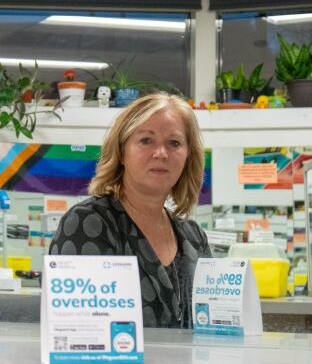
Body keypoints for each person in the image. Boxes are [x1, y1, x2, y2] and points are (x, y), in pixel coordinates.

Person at [49, 93, 211, 328]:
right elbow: (82, 334)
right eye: (146, 140)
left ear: (188, 157)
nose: (161, 153)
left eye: (174, 143)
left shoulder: (194, 237)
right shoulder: (89, 224)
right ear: (122, 151)